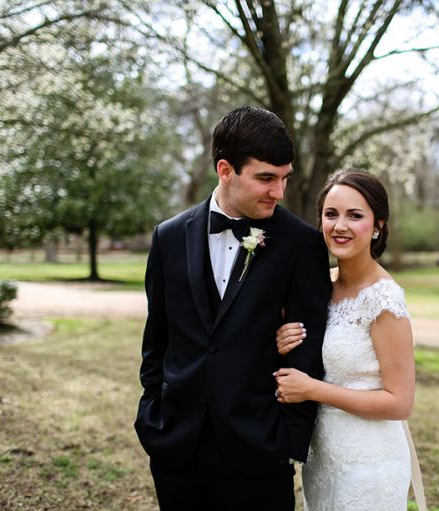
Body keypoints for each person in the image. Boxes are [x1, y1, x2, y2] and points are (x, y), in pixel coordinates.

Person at [134, 106, 332, 511]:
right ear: (225, 170)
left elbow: (308, 350)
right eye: (265, 178)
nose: (278, 192)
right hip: (176, 447)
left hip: (258, 454)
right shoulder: (169, 237)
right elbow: (158, 339)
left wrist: (286, 443)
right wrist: (153, 416)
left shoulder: (300, 244)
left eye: (284, 178)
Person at [274, 169, 417, 511]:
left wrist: (312, 390)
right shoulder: (319, 285)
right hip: (322, 458)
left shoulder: (383, 300)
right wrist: (282, 342)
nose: (340, 226)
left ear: (378, 224)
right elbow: (312, 353)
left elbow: (400, 402)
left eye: (355, 216)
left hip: (368, 464)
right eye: (331, 214)